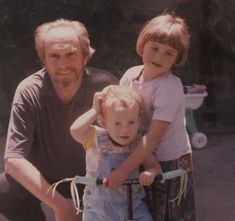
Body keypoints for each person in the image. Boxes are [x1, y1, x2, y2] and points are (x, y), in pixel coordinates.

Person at [0, 19, 117, 221]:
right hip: (47, 180)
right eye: (54, 56)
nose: (63, 64)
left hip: (93, 179)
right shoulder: (30, 91)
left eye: (71, 54)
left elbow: (133, 136)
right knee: (5, 189)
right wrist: (60, 206)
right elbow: (13, 160)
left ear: (85, 57)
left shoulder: (105, 86)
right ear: (44, 61)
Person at [104, 13, 196, 220]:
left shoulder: (170, 87)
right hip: (138, 154)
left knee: (168, 213)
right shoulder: (130, 75)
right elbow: (115, 111)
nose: (158, 57)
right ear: (142, 45)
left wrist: (123, 170)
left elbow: (154, 137)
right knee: (140, 210)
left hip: (169, 160)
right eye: (154, 48)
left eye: (168, 53)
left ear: (176, 59)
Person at [69, 85, 161, 221]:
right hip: (98, 207)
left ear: (139, 121)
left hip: (133, 204)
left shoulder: (139, 144)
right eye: (117, 123)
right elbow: (75, 130)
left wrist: (150, 173)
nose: (125, 130)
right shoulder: (95, 137)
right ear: (103, 122)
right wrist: (95, 110)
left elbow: (154, 166)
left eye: (131, 122)